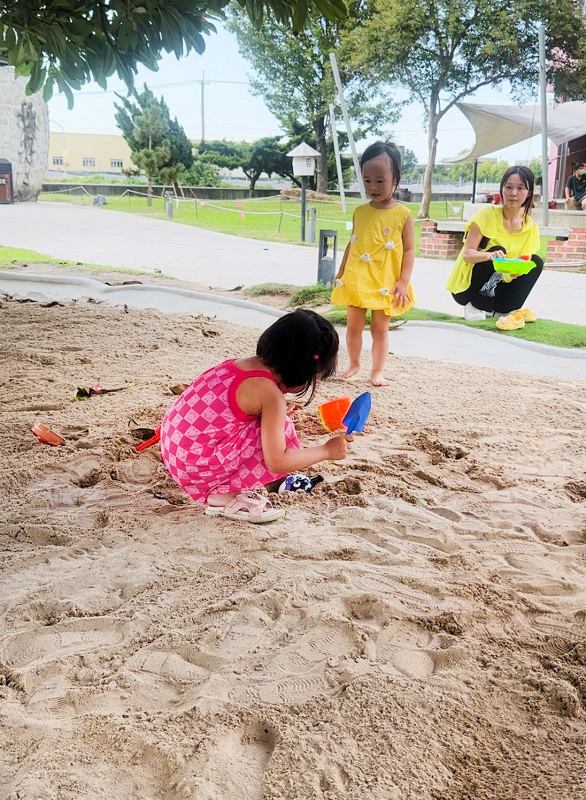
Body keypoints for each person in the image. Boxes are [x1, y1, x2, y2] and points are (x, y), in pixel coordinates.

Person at [158, 309, 347, 524]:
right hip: (196, 470)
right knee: (281, 428)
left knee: (275, 419)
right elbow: (277, 461)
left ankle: (227, 486)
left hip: (175, 452)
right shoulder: (271, 396)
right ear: (304, 369)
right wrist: (327, 450)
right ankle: (221, 495)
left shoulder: (238, 365)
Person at [331, 141, 415, 387]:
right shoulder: (360, 212)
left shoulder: (403, 215)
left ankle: (377, 370)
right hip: (358, 279)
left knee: (380, 328)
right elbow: (353, 243)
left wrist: (403, 281)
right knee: (353, 325)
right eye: (367, 180)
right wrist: (342, 269)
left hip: (385, 281)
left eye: (380, 180)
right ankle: (354, 363)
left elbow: (409, 250)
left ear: (395, 179)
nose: (373, 186)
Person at [446, 166, 543, 330]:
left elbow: (523, 260)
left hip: (501, 284)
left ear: (529, 192)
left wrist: (518, 267)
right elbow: (468, 254)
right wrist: (490, 256)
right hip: (468, 287)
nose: (513, 193)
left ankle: (504, 310)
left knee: (535, 262)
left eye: (520, 188)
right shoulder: (486, 215)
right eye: (509, 187)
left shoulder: (530, 226)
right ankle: (476, 305)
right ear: (502, 189)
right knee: (498, 250)